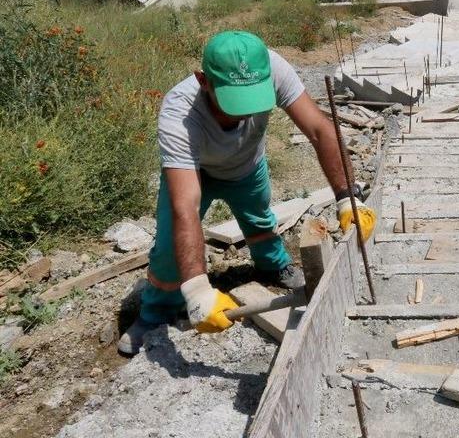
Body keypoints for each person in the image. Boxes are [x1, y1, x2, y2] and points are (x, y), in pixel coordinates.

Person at [118, 30, 376, 355]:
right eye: (232, 104)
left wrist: (345, 197)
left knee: (259, 218)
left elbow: (319, 129)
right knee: (171, 243)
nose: (242, 114)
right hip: (195, 173)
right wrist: (198, 291)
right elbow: (186, 207)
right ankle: (154, 312)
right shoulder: (178, 112)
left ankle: (272, 266)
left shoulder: (274, 68)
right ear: (203, 81)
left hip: (247, 167)